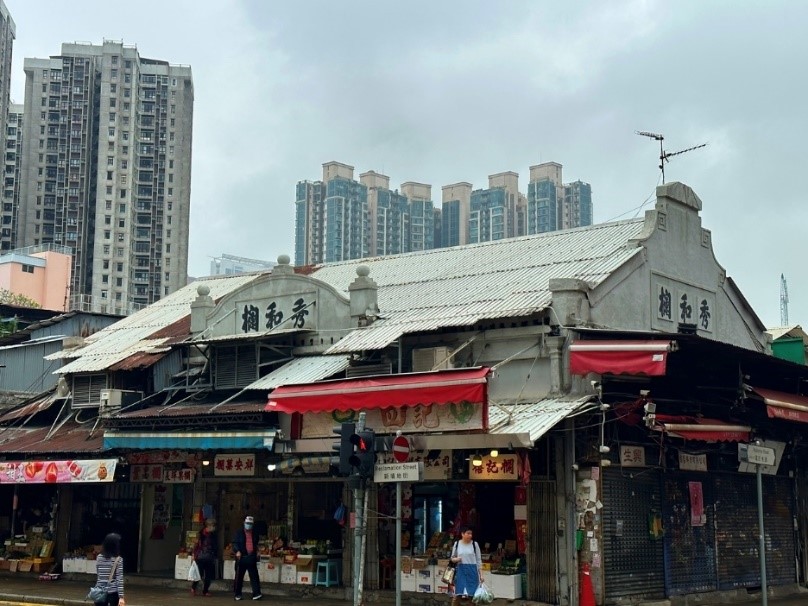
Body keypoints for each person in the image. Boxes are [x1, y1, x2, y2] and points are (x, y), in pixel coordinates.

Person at [449, 525, 483, 606]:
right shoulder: (457, 544)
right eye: (468, 533)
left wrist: (481, 575)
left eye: (471, 534)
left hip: (472, 571)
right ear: (462, 534)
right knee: (458, 594)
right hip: (460, 570)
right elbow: (452, 558)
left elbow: (479, 560)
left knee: (472, 594)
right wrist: (456, 559)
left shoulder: (475, 544)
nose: (470, 535)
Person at [232, 515, 262, 601]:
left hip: (251, 557)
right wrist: (237, 551)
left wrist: (257, 551)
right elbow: (234, 543)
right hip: (241, 557)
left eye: (250, 524)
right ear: (244, 523)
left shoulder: (255, 533)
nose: (249, 525)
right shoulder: (239, 533)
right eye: (247, 523)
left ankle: (257, 593)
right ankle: (237, 594)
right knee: (239, 577)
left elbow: (256, 544)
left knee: (254, 576)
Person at [94, 532, 125, 606]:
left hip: (99, 592)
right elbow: (119, 579)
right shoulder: (118, 559)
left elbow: (99, 574)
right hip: (113, 593)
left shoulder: (99, 557)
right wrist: (121, 596)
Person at [192, 518, 218, 596]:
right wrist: (194, 555)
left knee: (208, 575)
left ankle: (205, 590)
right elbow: (195, 545)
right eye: (212, 526)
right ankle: (193, 587)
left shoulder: (213, 535)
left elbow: (215, 546)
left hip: (209, 557)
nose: (213, 528)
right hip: (200, 557)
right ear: (208, 526)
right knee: (198, 574)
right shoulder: (200, 534)